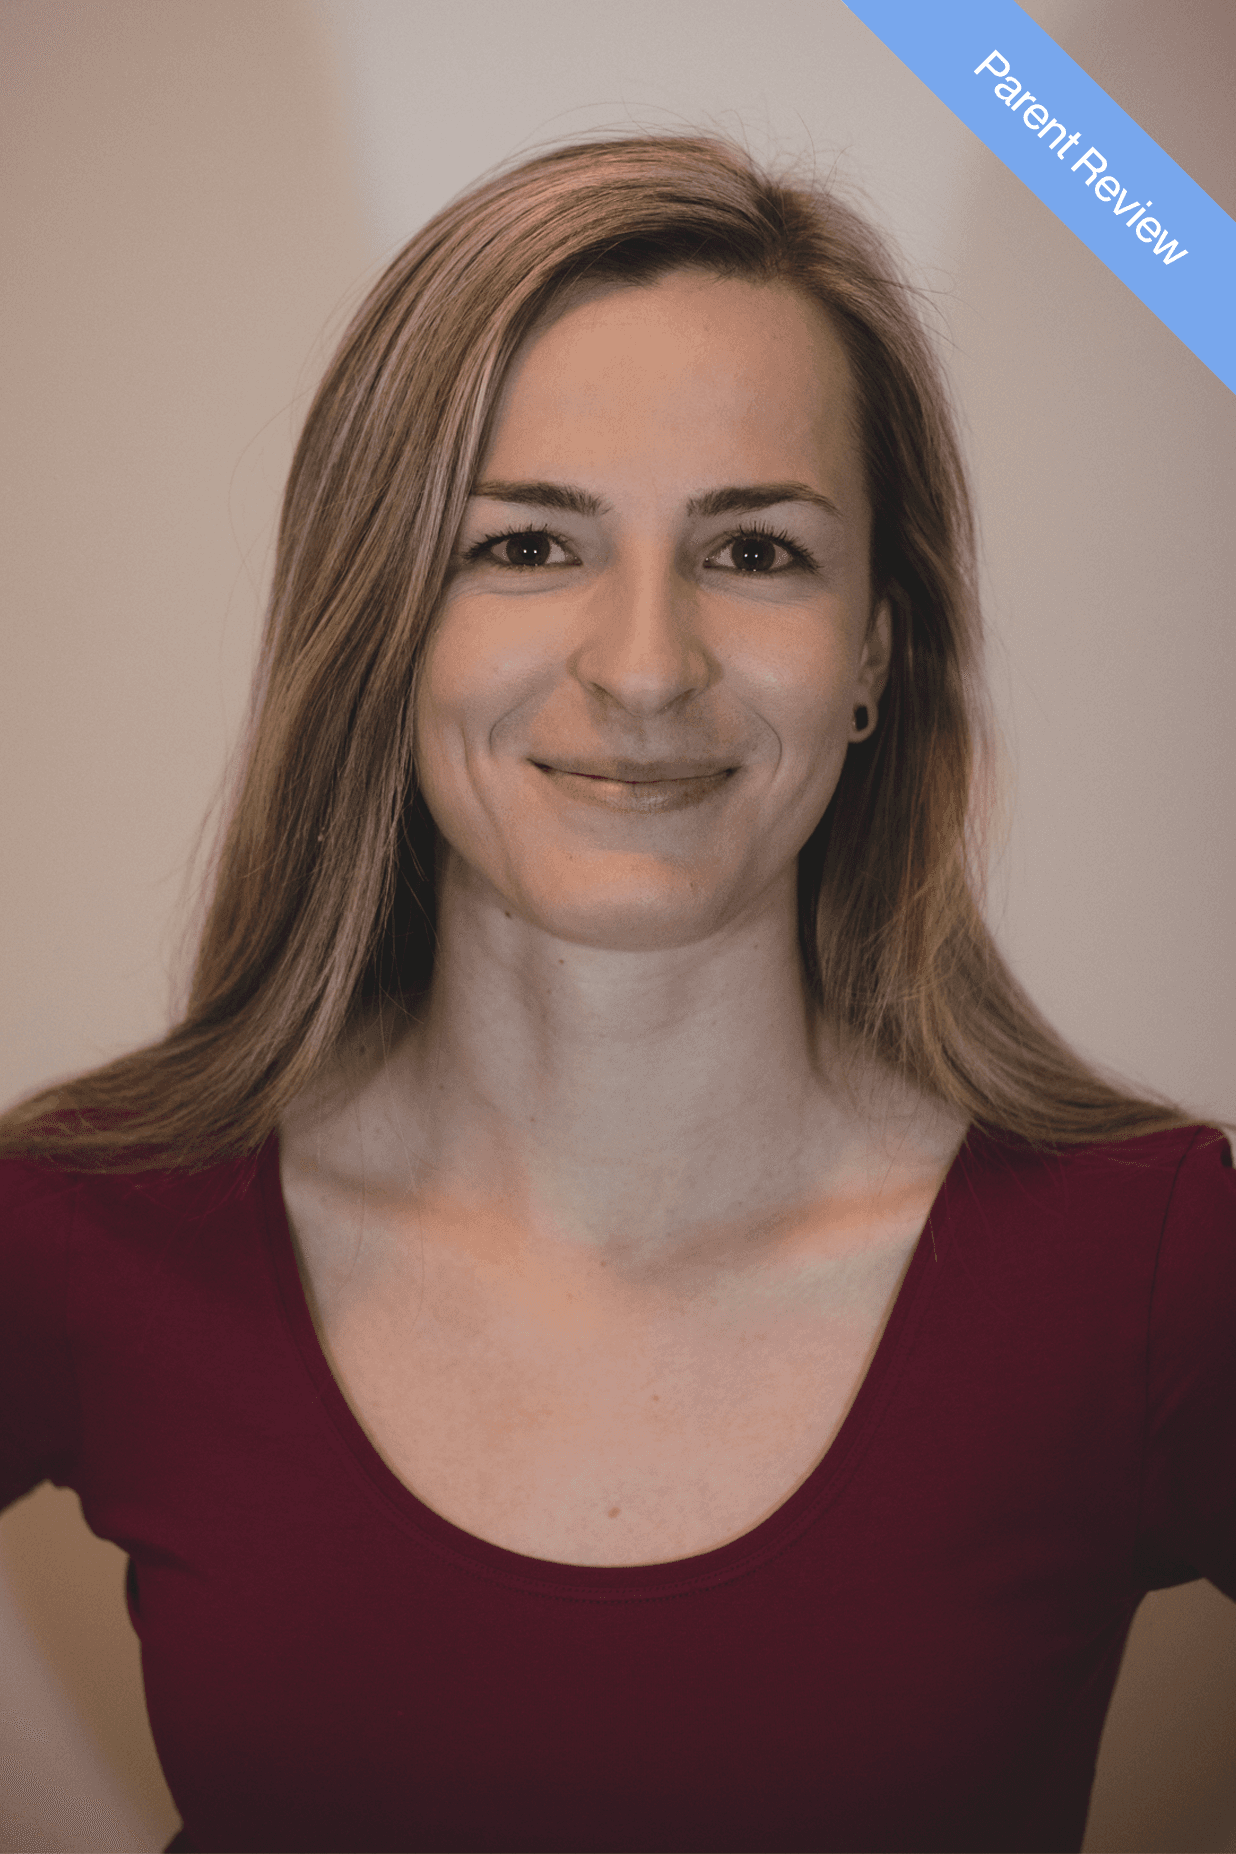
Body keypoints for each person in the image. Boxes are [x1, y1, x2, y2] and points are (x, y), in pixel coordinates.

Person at [1, 132, 1232, 1854]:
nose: (644, 666)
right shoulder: (97, 1220)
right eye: (524, 547)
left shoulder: (1151, 1266)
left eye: (757, 553)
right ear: (385, 625)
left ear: (875, 651)